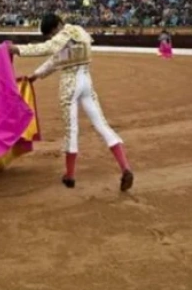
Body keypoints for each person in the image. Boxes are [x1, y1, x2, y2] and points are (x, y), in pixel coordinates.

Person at [9, 13, 133, 191]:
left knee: (71, 129)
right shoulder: (80, 31)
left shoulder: (62, 35)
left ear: (58, 25)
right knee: (102, 125)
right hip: (86, 81)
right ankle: (125, 167)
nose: (53, 37)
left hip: (70, 83)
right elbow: (57, 58)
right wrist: (37, 75)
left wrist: (18, 49)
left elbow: (47, 49)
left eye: (52, 33)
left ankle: (70, 175)